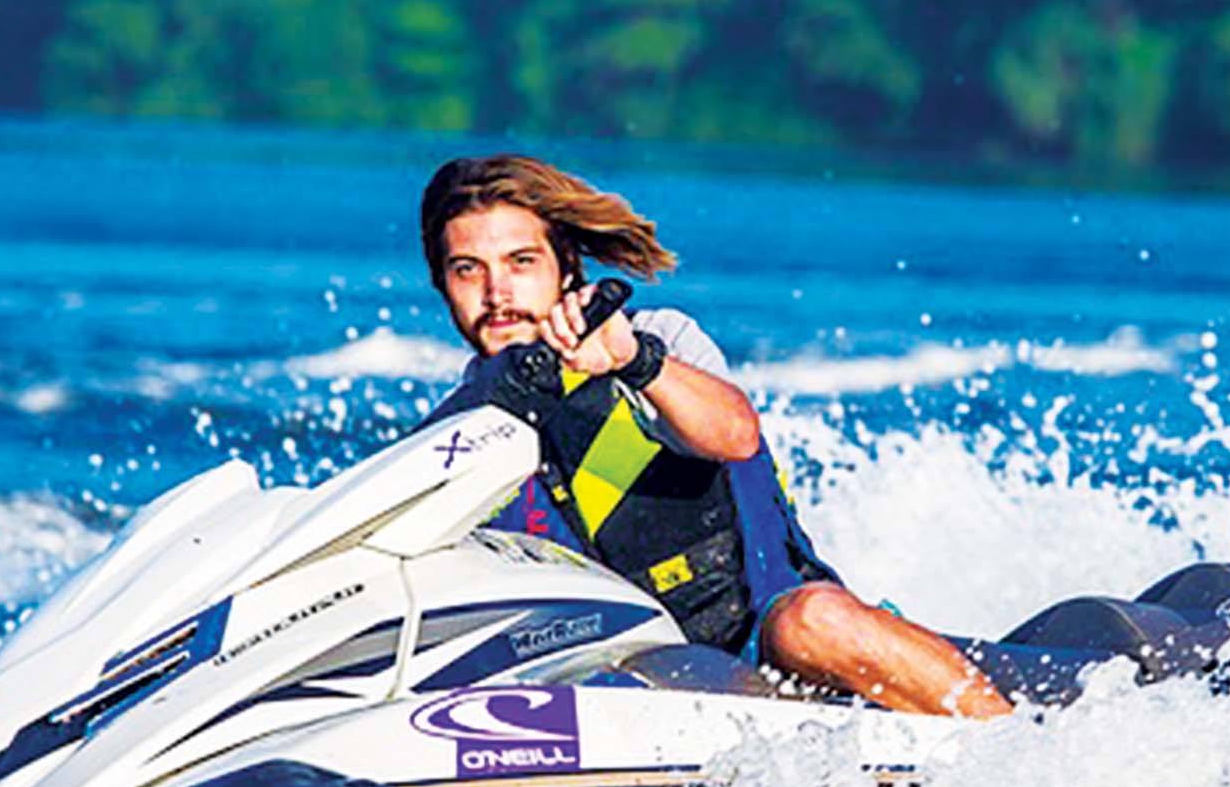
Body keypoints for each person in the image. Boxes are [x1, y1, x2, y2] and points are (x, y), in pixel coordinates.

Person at [414, 154, 1011, 718]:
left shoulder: (656, 340)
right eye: (468, 270)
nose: (497, 293)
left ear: (565, 266)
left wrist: (633, 361)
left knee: (811, 622)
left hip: (771, 644)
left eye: (522, 263)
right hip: (620, 679)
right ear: (443, 285)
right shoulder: (451, 435)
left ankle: (1019, 752)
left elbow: (735, 434)